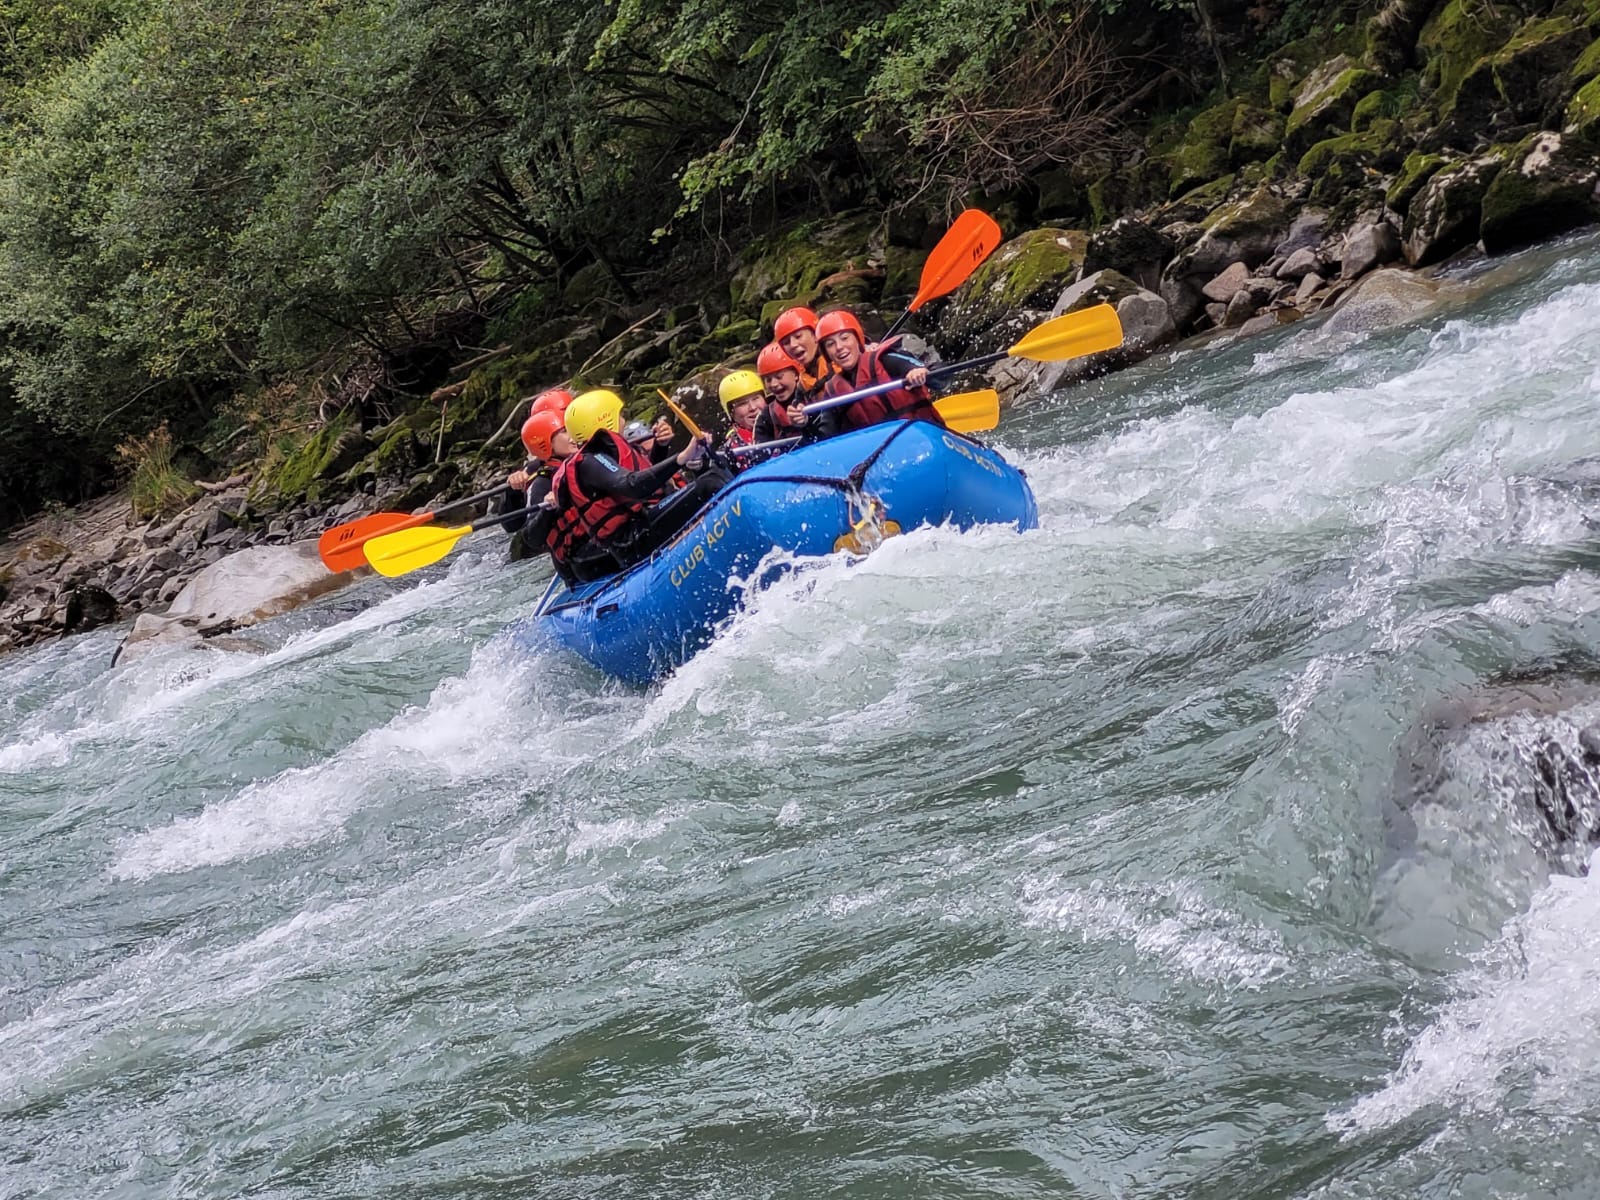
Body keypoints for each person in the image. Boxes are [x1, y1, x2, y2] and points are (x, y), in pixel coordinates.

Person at [545, 389, 727, 581]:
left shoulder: (606, 452)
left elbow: (649, 478)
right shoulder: (589, 462)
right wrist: (682, 457)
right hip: (633, 541)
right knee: (709, 483)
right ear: (605, 419)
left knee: (708, 477)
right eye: (620, 415)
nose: (623, 419)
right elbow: (632, 485)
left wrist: (677, 453)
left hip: (640, 528)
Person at [814, 309, 946, 434]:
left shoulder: (885, 360)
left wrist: (917, 371)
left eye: (845, 338)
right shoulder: (832, 391)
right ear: (826, 353)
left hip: (921, 436)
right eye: (830, 344)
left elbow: (939, 381)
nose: (839, 347)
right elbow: (824, 438)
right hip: (881, 452)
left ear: (858, 339)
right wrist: (803, 424)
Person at [506, 411, 577, 568]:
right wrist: (548, 509)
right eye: (565, 431)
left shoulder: (584, 457)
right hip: (557, 556)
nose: (573, 434)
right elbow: (531, 538)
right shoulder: (541, 483)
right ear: (546, 443)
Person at [752, 342, 809, 444]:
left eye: (779, 377)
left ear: (796, 374)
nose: (773, 384)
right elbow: (760, 454)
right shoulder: (765, 417)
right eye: (768, 380)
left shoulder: (812, 398)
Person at [773, 306, 834, 400]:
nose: (793, 345)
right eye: (786, 342)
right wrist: (796, 411)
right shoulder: (803, 382)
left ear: (815, 334)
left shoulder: (839, 360)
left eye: (798, 336)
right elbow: (797, 403)